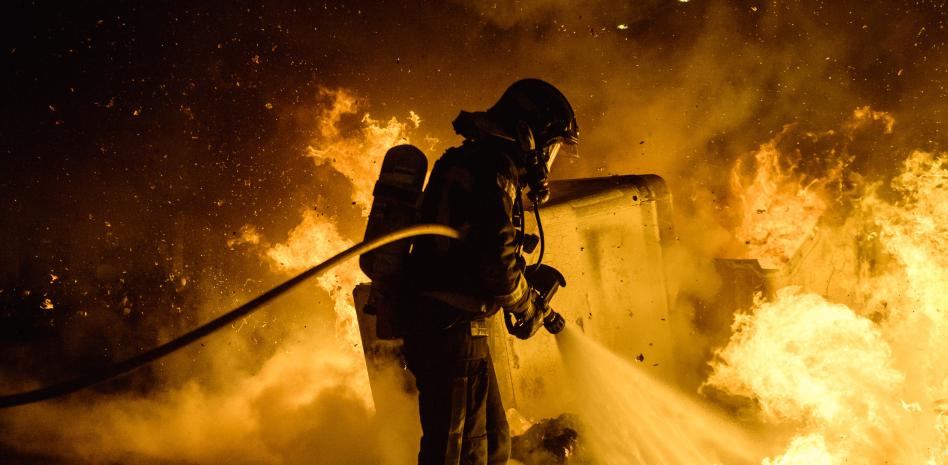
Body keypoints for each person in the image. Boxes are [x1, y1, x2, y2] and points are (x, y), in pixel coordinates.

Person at [403, 79, 579, 465]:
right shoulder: (494, 169)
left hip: (457, 331)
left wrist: (527, 299)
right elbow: (497, 268)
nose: (548, 161)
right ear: (528, 136)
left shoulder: (469, 161)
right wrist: (529, 308)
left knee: (495, 445)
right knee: (456, 454)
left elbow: (482, 250)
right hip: (451, 332)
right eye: (551, 148)